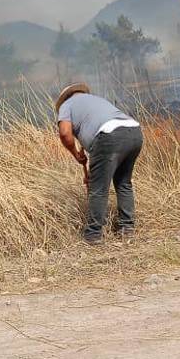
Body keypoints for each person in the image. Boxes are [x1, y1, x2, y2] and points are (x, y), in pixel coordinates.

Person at [54, 84, 143, 243]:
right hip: (134, 132)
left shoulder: (67, 105)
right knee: (123, 183)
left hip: (109, 135)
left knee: (98, 188)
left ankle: (93, 234)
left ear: (65, 98)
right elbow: (99, 149)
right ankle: (127, 228)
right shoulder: (96, 100)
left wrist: (75, 154)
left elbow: (65, 133)